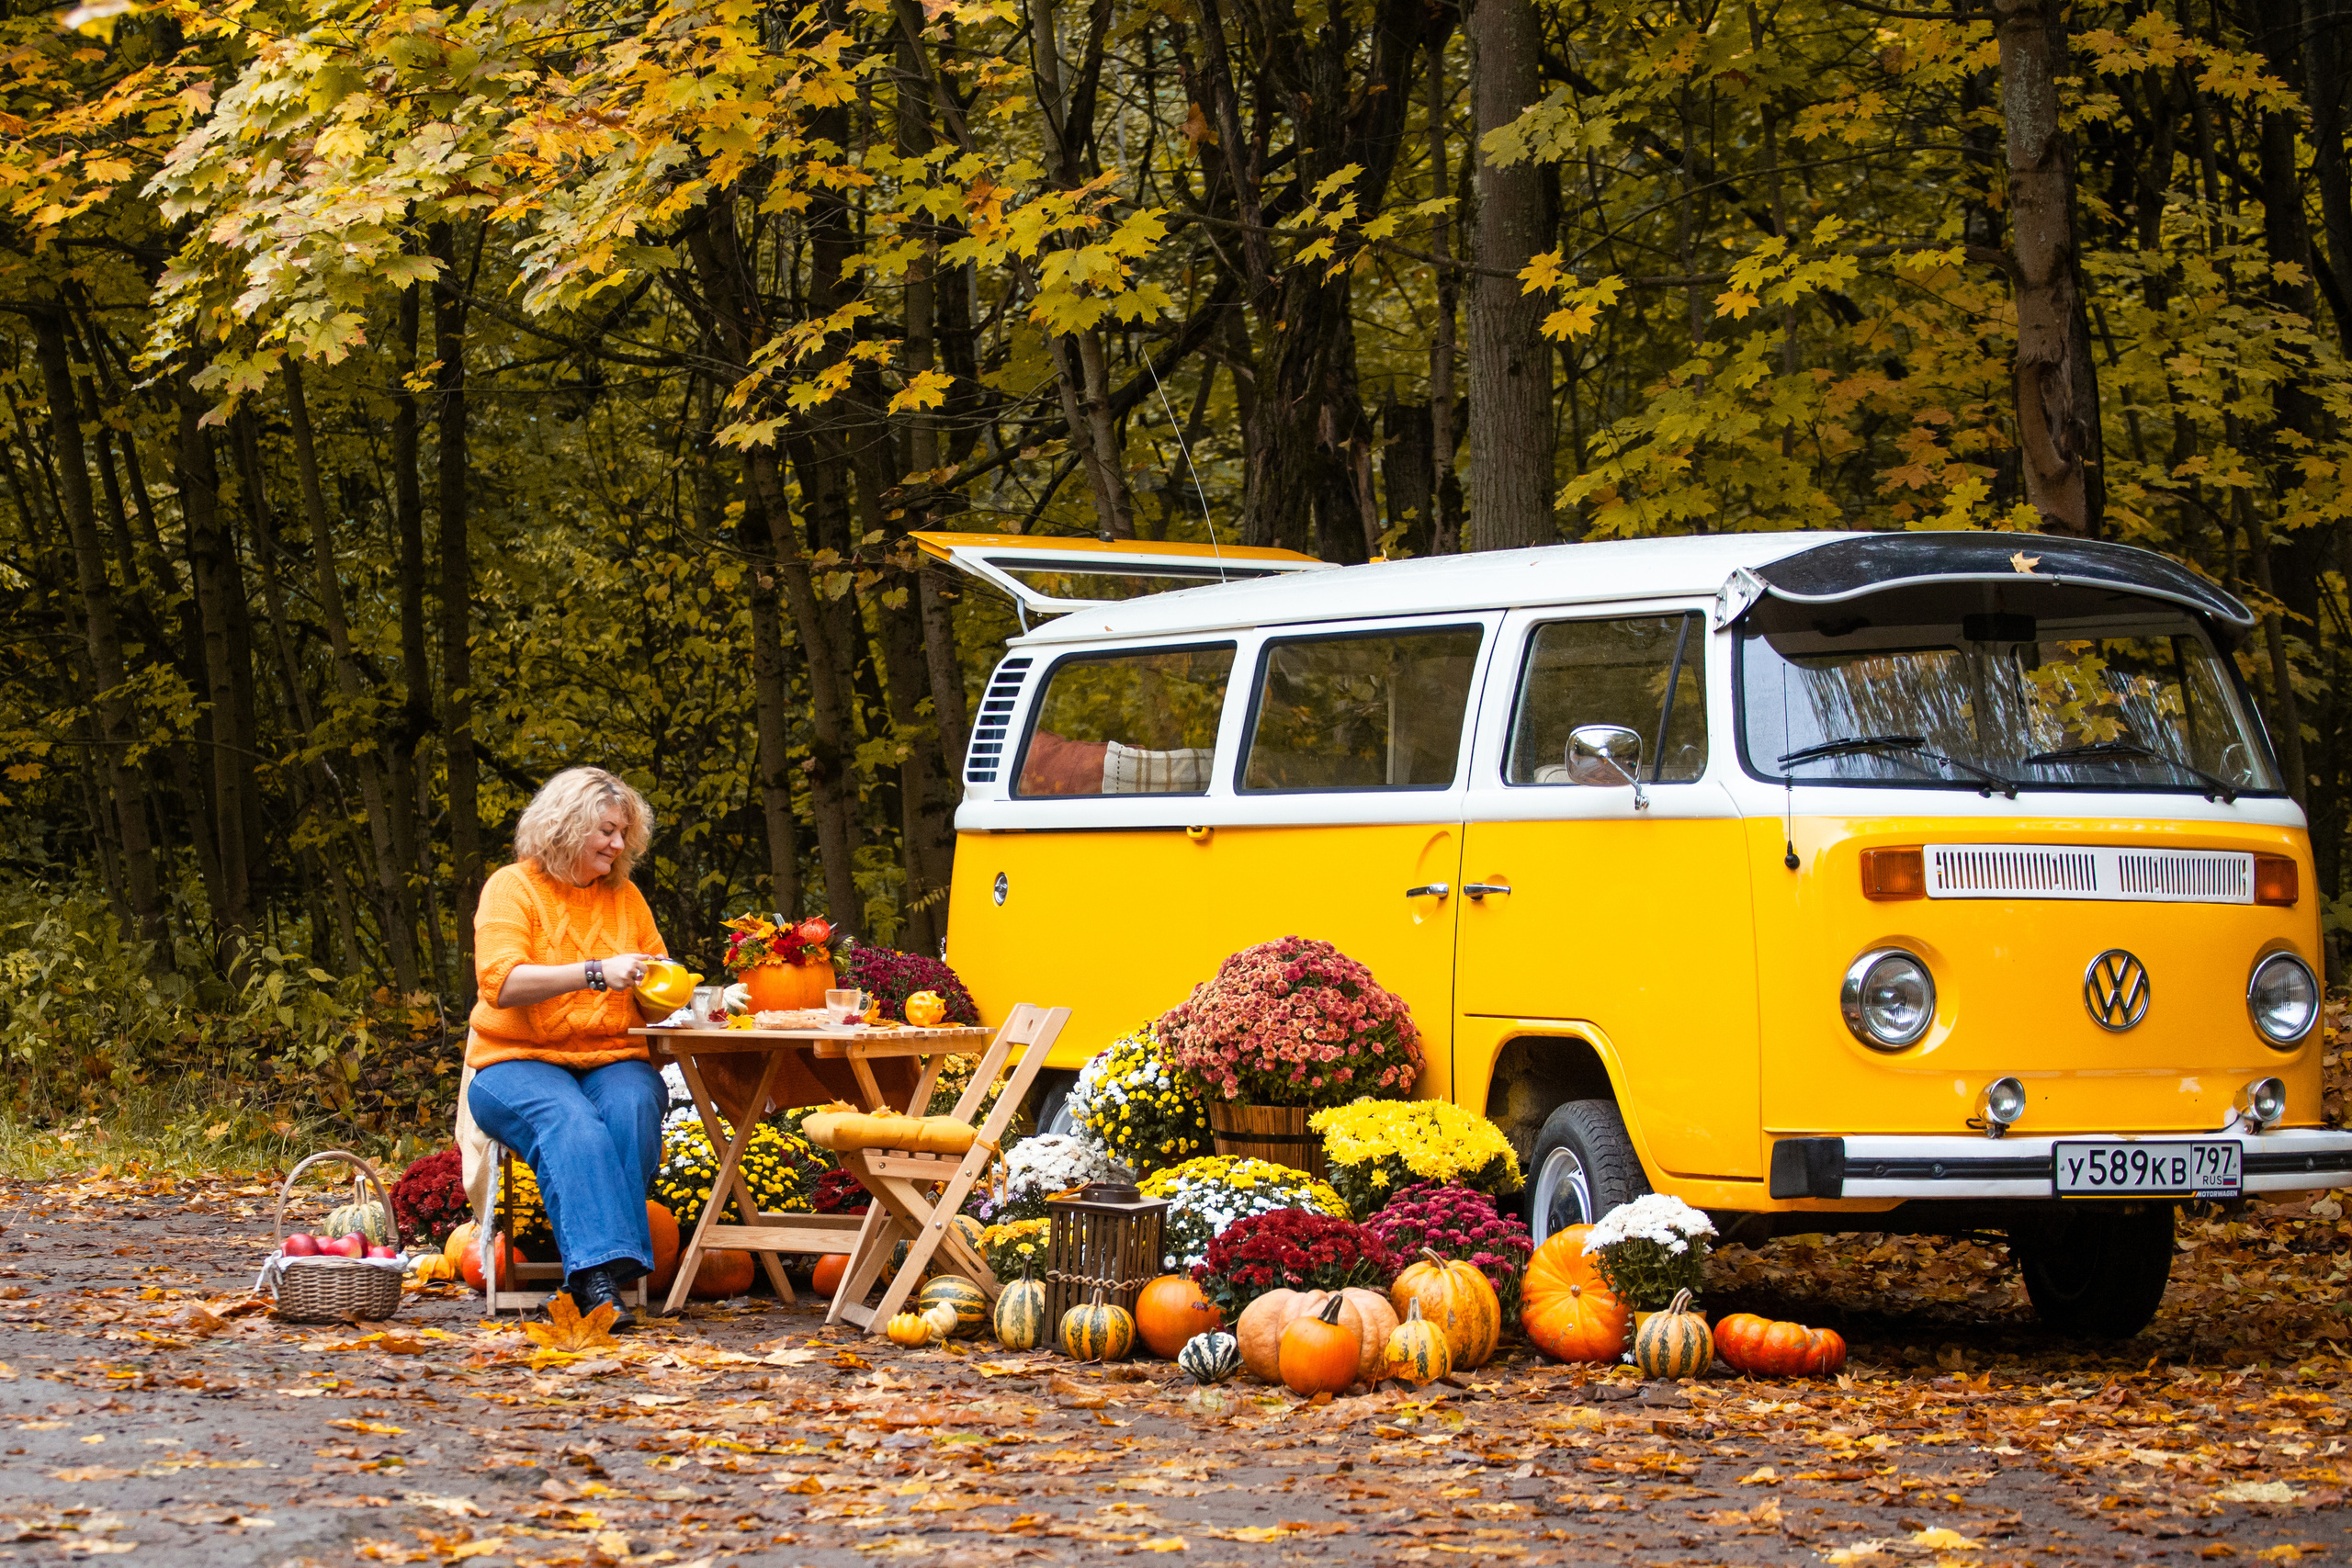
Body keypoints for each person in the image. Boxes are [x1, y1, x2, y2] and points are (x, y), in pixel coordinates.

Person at [464, 766, 669, 1329]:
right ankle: (600, 1280)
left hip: (610, 1057)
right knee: (570, 1120)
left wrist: (670, 992)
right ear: (567, 826)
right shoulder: (513, 887)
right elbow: (500, 984)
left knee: (634, 1102)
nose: (619, 844)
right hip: (514, 1062)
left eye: (624, 832)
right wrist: (596, 972)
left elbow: (653, 989)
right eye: (606, 830)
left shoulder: (625, 898)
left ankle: (589, 1273)